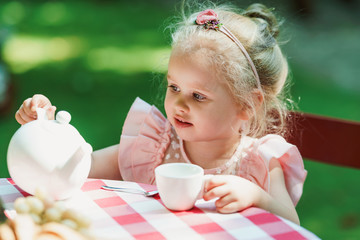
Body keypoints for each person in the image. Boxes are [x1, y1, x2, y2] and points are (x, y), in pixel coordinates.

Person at [15, 2, 307, 224]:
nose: (180, 104)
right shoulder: (154, 145)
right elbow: (83, 166)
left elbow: (294, 227)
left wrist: (257, 197)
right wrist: (49, 131)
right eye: (174, 87)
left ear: (247, 106)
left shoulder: (259, 164)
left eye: (198, 96)